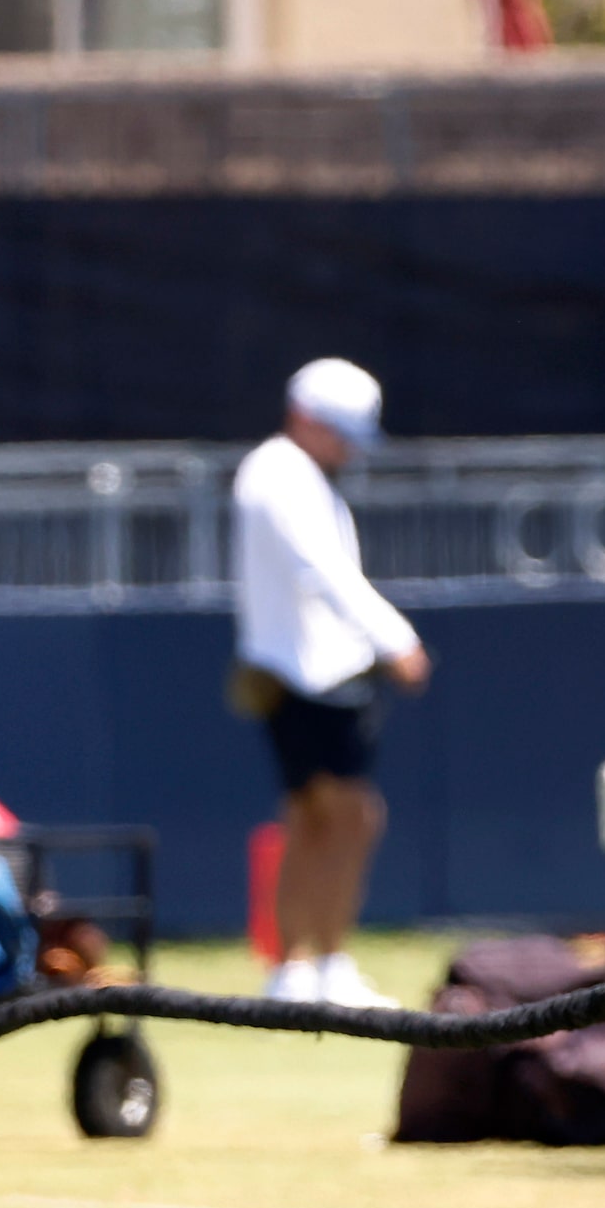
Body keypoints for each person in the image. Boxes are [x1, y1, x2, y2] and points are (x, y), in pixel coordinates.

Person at [231, 358, 430, 1008]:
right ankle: (319, 964)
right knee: (348, 819)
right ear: (307, 420)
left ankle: (303, 968)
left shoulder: (290, 474)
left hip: (311, 673)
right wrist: (395, 638)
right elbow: (323, 570)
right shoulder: (280, 474)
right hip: (308, 677)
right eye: (340, 431)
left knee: (318, 821)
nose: (348, 448)